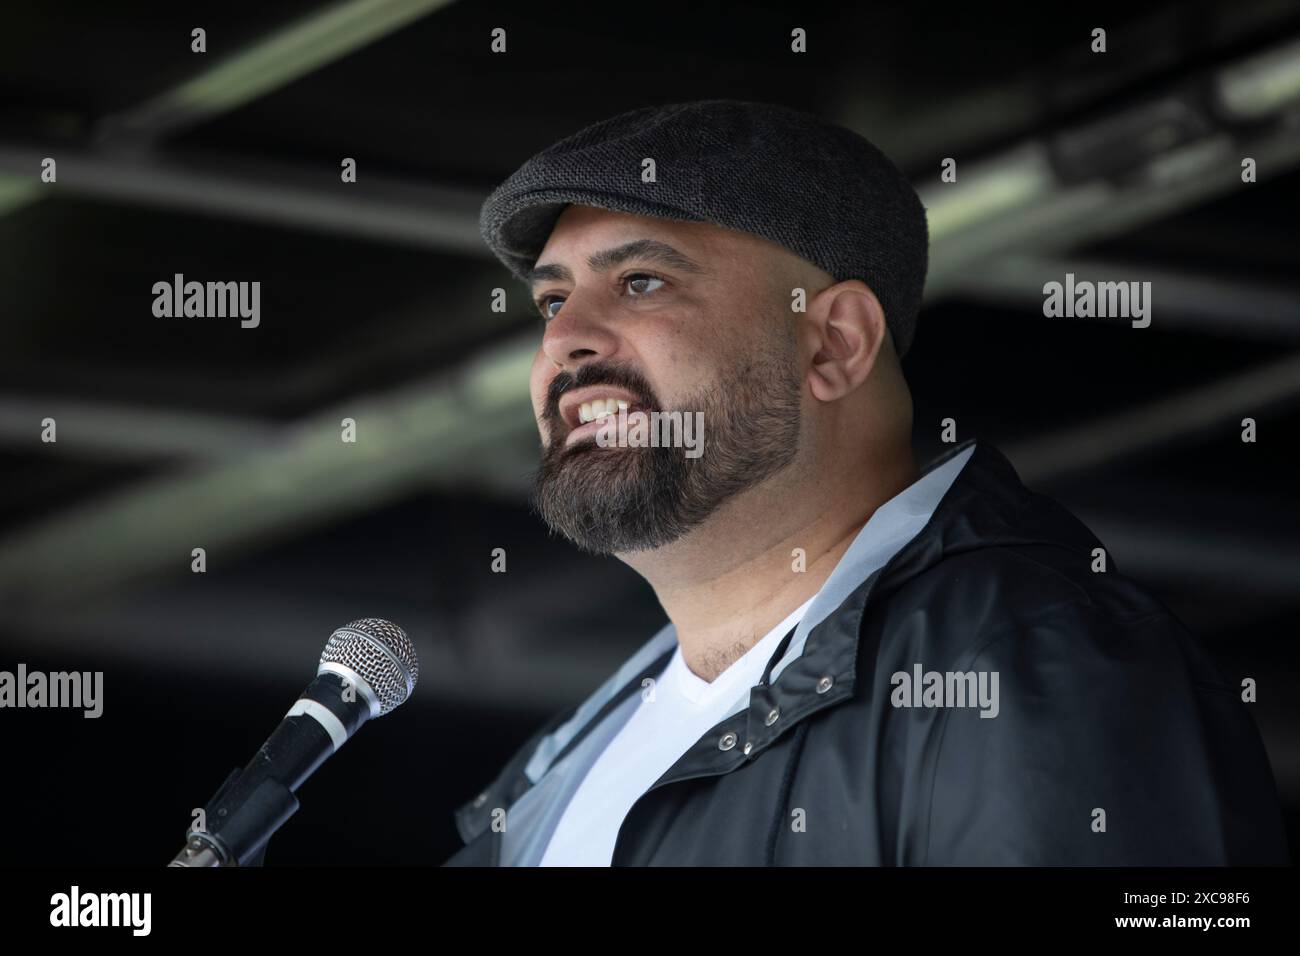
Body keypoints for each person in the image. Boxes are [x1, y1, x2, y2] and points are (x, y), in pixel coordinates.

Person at [443, 99, 1288, 866]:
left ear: (835, 343)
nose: (566, 339)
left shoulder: (1029, 665)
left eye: (641, 281)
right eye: (552, 302)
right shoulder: (556, 772)